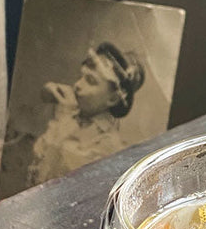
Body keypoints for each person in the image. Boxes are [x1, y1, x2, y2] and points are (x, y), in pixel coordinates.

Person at [28, 42, 145, 187]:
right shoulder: (75, 116)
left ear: (113, 99)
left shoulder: (108, 145)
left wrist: (64, 116)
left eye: (90, 81)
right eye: (81, 76)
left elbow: (51, 180)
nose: (77, 84)